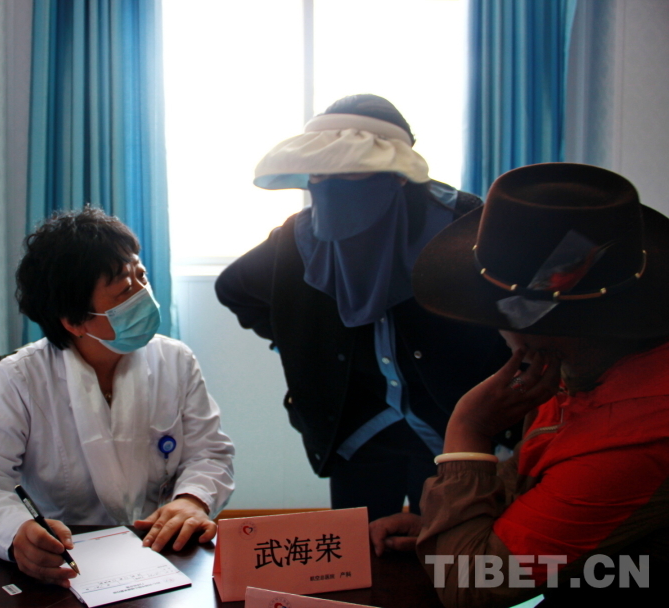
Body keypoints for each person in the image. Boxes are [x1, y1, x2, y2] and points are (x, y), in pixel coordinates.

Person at [370, 162, 669, 605]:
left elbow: (469, 586)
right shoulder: (580, 370)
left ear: (530, 329)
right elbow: (534, 487)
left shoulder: (638, 428)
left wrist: (468, 429)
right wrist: (444, 529)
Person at [215, 94, 512, 518]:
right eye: (320, 172)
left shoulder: (464, 226)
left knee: (449, 545)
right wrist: (299, 343)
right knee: (360, 548)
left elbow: (513, 313)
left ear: (398, 175)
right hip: (358, 430)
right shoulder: (300, 238)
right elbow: (234, 289)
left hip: (453, 426)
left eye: (351, 171)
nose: (331, 187)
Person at [0, 208, 235, 588]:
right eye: (124, 290)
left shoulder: (175, 361)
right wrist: (15, 531)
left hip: (159, 554)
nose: (144, 294)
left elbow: (210, 453)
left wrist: (192, 500)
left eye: (141, 275)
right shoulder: (20, 378)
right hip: (66, 562)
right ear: (75, 320)